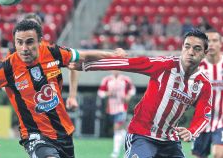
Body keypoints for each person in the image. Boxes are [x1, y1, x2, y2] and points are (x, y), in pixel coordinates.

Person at [0, 19, 127, 158]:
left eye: (29, 42)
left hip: (63, 132)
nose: (24, 48)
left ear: (40, 41)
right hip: (34, 135)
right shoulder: (6, 67)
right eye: (19, 42)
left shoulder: (53, 53)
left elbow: (82, 56)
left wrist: (112, 54)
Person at [71, 28, 212, 158]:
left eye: (197, 48)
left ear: (205, 53)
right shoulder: (164, 65)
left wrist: (192, 131)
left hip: (169, 141)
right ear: (182, 48)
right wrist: (86, 65)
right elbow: (127, 64)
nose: (191, 52)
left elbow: (204, 115)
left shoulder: (203, 84)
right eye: (187, 46)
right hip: (142, 134)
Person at [192, 29, 223, 158]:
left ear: (221, 44)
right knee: (199, 155)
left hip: (221, 120)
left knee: (218, 154)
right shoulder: (197, 67)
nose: (211, 44)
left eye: (215, 41)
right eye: (208, 41)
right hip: (201, 120)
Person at [98, 70, 136, 158]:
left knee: (117, 127)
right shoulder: (107, 80)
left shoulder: (125, 79)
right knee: (121, 131)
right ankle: (127, 149)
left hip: (122, 108)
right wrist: (107, 93)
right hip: (110, 108)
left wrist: (128, 96)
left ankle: (115, 152)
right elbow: (100, 92)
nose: (116, 70)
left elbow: (132, 90)